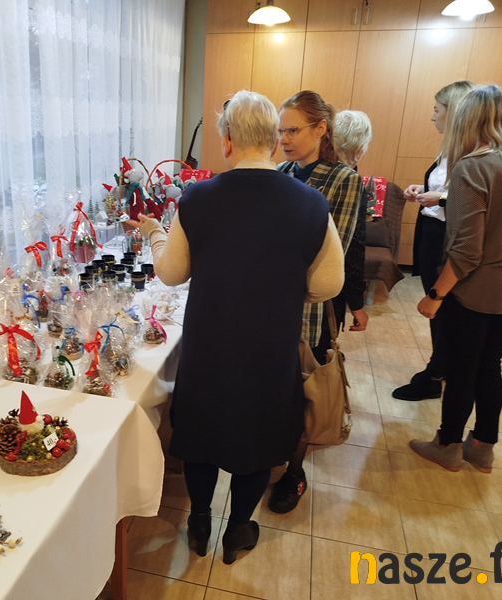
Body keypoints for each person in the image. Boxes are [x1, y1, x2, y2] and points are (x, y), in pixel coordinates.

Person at [127, 90, 344, 563]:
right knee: (258, 438)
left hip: (209, 344)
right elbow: (330, 283)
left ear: (226, 140)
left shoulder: (198, 197)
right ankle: (239, 529)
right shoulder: (311, 203)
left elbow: (171, 273)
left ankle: (200, 521)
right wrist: (285, 290)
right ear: (273, 141)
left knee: (202, 436)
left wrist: (155, 233)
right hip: (270, 345)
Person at [409, 84, 502, 473]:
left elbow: (467, 251)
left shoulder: (472, 167)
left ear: (464, 119)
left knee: (461, 369)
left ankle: (448, 444)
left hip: (478, 289)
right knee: (489, 364)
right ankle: (482, 446)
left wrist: (435, 295)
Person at [269, 91, 363, 515]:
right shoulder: (280, 172)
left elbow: (329, 252)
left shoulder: (343, 179)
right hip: (271, 303)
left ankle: (294, 471)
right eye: (280, 131)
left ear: (321, 128)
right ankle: (271, 450)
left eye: (293, 130)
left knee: (305, 389)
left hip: (309, 306)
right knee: (275, 386)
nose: (284, 139)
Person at [392, 81, 474, 402]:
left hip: (444, 239)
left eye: (437, 110)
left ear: (453, 113)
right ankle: (440, 366)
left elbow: (470, 201)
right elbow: (448, 190)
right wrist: (423, 190)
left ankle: (436, 372)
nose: (432, 116)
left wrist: (438, 199)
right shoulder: (450, 149)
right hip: (431, 233)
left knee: (441, 306)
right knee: (439, 308)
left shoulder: (471, 153)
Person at [333, 109, 374, 332]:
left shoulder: (310, 169)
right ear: (359, 150)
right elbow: (352, 248)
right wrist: (357, 304)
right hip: (330, 282)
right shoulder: (350, 180)